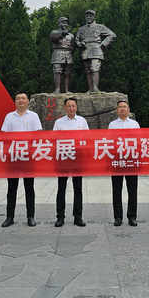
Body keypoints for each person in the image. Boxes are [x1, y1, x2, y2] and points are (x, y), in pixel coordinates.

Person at [0, 92, 42, 227]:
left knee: (29, 188)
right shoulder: (9, 116)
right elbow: (4, 135)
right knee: (12, 188)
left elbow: (38, 135)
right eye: (18, 98)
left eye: (23, 98)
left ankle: (31, 216)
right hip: (13, 157)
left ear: (28, 101)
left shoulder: (34, 116)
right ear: (15, 102)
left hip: (28, 157)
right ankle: (9, 217)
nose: (20, 100)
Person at [53, 97, 88, 227]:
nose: (71, 108)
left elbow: (87, 139)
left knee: (78, 188)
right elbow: (54, 140)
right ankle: (60, 217)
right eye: (69, 106)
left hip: (78, 158)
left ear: (76, 107)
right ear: (65, 108)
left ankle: (78, 217)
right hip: (63, 158)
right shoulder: (59, 122)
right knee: (61, 188)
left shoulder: (82, 121)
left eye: (73, 106)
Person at [108, 100, 140, 226]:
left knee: (132, 190)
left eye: (124, 107)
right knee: (116, 190)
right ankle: (118, 217)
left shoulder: (135, 124)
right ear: (117, 110)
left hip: (131, 160)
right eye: (120, 107)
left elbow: (139, 141)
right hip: (117, 161)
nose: (122, 109)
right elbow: (110, 142)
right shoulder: (112, 125)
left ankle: (132, 217)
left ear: (128, 109)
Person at [75, 10, 116, 92]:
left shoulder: (100, 27)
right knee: (88, 70)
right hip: (86, 49)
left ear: (94, 17)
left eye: (90, 16)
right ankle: (90, 89)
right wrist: (80, 44)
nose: (88, 17)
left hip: (96, 48)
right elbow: (77, 40)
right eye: (87, 16)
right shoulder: (81, 29)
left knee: (95, 68)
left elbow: (112, 35)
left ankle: (95, 88)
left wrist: (103, 44)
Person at [49, 17, 75, 93]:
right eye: (63, 22)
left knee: (67, 72)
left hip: (68, 53)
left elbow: (73, 45)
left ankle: (67, 90)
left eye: (66, 23)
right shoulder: (54, 32)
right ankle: (57, 89)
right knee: (57, 71)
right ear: (59, 23)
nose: (65, 24)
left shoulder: (71, 35)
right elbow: (53, 39)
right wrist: (62, 34)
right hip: (58, 52)